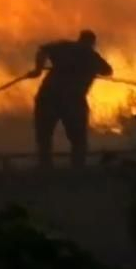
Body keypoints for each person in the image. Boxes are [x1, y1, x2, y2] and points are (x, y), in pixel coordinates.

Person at [27, 30, 113, 169]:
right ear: (92, 43)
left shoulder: (64, 46)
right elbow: (108, 71)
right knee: (78, 140)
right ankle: (77, 169)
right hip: (72, 101)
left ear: (79, 39)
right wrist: (90, 70)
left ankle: (45, 168)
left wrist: (38, 70)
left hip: (49, 97)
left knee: (44, 136)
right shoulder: (92, 56)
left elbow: (43, 50)